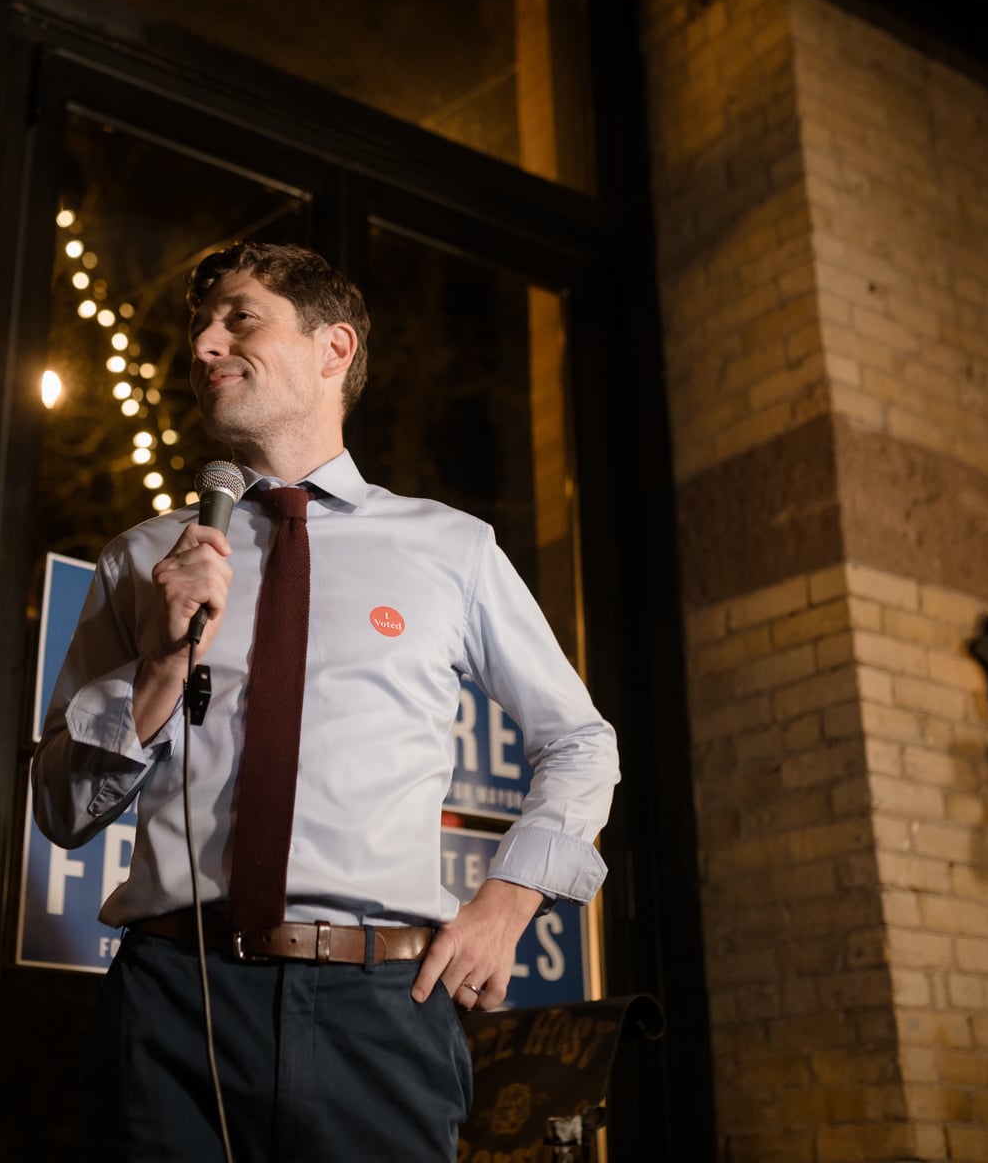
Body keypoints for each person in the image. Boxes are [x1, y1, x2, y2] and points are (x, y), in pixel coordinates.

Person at [33, 241, 619, 1161]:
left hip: (380, 1013)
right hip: (171, 1004)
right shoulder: (146, 558)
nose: (205, 344)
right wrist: (157, 662)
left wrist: (505, 904)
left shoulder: (450, 548)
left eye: (238, 317)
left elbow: (581, 742)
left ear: (333, 349)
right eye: (199, 327)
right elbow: (62, 810)